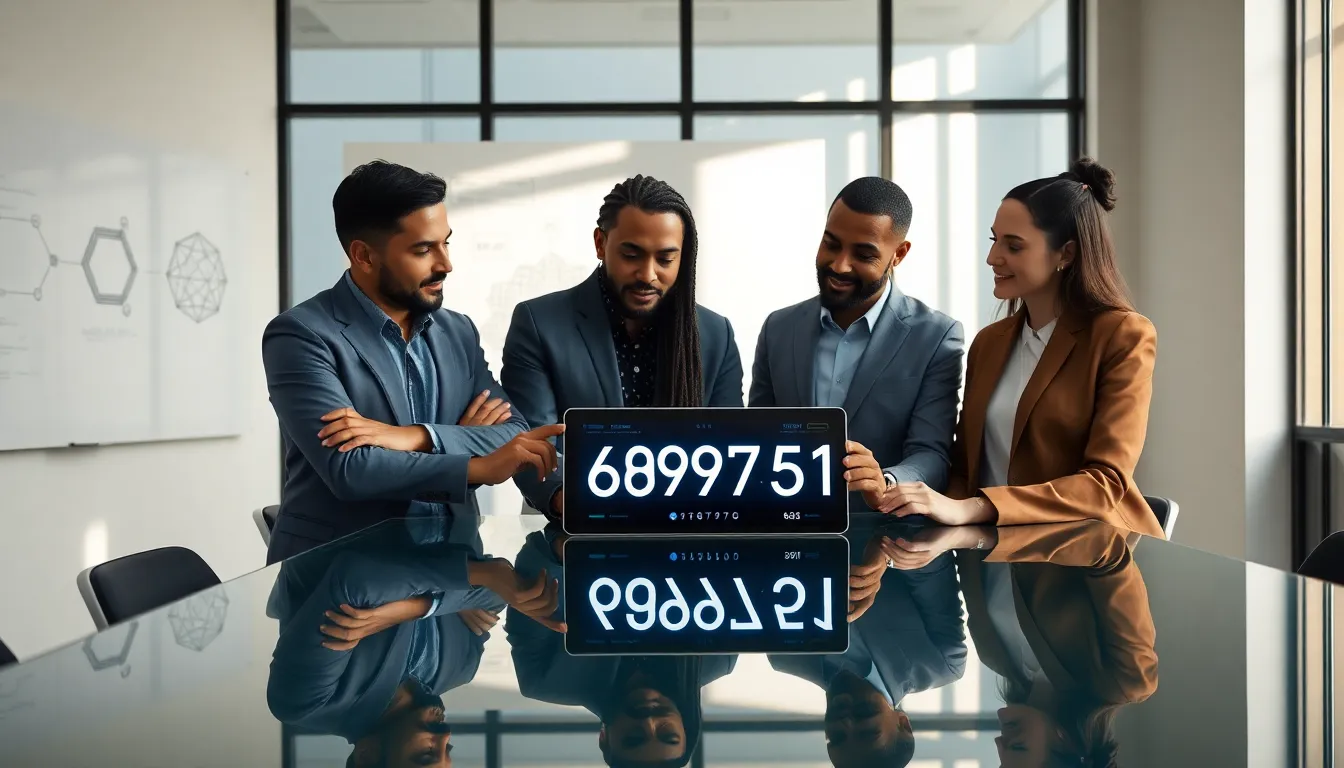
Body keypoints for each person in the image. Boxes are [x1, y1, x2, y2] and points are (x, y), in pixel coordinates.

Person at [262, 160, 564, 563]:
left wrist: (418, 437)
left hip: (455, 574)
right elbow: (352, 470)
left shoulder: (458, 331)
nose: (445, 264)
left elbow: (514, 434)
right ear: (364, 256)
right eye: (423, 249)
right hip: (340, 588)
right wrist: (477, 466)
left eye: (446, 243)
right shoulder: (301, 335)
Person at [879, 158, 1164, 537]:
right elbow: (965, 469)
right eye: (994, 239)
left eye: (1013, 246)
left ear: (1066, 253)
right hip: (993, 557)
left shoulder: (1123, 335)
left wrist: (974, 508)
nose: (993, 258)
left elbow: (1105, 484)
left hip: (1089, 564)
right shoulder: (989, 343)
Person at [501, 174, 743, 520]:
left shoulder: (716, 334)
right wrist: (572, 501)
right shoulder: (538, 323)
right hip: (567, 539)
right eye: (632, 254)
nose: (648, 274)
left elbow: (728, 450)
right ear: (601, 243)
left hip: (686, 531)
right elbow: (532, 445)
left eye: (665, 259)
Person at [265, 520, 564, 768]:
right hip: (455, 476)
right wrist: (421, 605)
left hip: (361, 478)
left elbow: (356, 580)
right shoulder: (460, 668)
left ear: (367, 756)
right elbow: (502, 590)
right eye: (448, 752)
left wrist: (469, 580)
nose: (446, 736)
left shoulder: (308, 702)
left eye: (425, 754)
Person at [750, 177, 965, 513]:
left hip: (886, 542)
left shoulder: (937, 337)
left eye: (863, 254)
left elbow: (933, 455)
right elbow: (755, 439)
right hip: (789, 533)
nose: (839, 265)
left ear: (899, 254)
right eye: (831, 244)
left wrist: (887, 481)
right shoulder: (778, 328)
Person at [504, 522, 736, 767]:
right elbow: (735, 555)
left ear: (604, 739)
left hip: (583, 513)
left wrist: (565, 551)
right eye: (668, 734)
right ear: (687, 728)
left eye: (633, 738)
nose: (649, 722)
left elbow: (535, 560)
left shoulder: (544, 680)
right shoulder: (718, 658)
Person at [771, 519, 967, 768]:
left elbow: (760, 556)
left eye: (837, 737)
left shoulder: (785, 654)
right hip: (875, 501)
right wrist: (887, 554)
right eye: (867, 731)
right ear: (903, 724)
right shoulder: (941, 660)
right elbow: (936, 560)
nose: (846, 723)